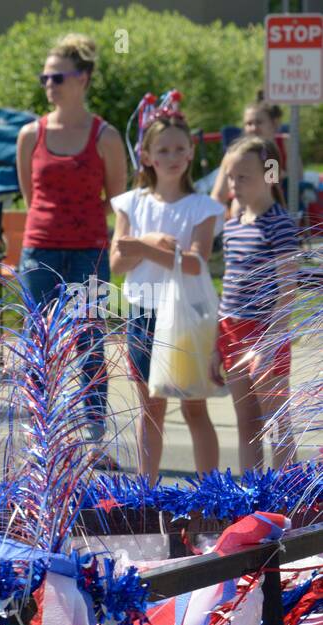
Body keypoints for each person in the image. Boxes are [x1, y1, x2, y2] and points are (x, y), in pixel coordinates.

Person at [16, 34, 128, 467]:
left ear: (82, 79)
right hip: (40, 249)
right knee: (38, 343)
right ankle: (39, 437)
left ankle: (93, 437)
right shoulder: (31, 134)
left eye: (57, 76)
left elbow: (117, 200)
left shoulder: (106, 136)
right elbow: (31, 194)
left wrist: (84, 224)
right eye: (45, 77)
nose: (49, 84)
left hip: (89, 252)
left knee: (90, 342)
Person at [109, 110, 224, 481]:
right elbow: (117, 261)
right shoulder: (132, 203)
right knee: (151, 411)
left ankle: (210, 493)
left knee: (194, 408)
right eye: (164, 150)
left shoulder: (202, 208)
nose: (172, 157)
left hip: (186, 316)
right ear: (147, 155)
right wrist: (147, 244)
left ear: (191, 152)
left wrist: (143, 248)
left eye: (180, 149)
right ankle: (147, 491)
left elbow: (195, 263)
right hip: (143, 313)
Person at [217, 136, 300, 472]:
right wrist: (215, 344)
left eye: (244, 176)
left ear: (268, 174)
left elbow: (288, 289)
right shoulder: (233, 225)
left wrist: (269, 342)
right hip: (231, 331)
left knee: (276, 422)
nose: (234, 185)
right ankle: (252, 497)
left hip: (267, 332)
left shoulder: (280, 224)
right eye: (231, 176)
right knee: (247, 423)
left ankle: (289, 497)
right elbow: (229, 286)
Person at [211, 95, 289, 218]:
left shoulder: (280, 146)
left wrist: (281, 174)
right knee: (238, 207)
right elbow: (219, 194)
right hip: (241, 206)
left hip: (277, 201)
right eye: (249, 123)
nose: (253, 128)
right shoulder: (234, 154)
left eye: (259, 122)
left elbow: (297, 176)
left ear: (273, 124)